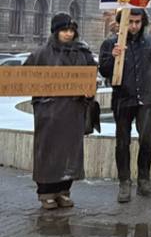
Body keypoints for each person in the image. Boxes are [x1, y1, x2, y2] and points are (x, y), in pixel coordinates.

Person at [25, 13, 97, 209]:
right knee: (47, 152)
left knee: (70, 153)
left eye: (71, 30)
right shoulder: (41, 54)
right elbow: (24, 78)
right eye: (64, 30)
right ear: (56, 31)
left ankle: (64, 191)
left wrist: (90, 91)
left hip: (73, 111)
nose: (68, 34)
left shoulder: (82, 53)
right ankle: (46, 193)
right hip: (49, 112)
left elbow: (92, 76)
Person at [98, 8, 151, 203]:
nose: (134, 26)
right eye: (130, 22)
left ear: (143, 22)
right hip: (123, 98)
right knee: (122, 142)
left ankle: (144, 181)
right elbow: (104, 71)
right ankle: (124, 183)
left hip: (146, 99)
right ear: (122, 23)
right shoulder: (111, 43)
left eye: (138, 22)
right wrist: (113, 56)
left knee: (146, 140)